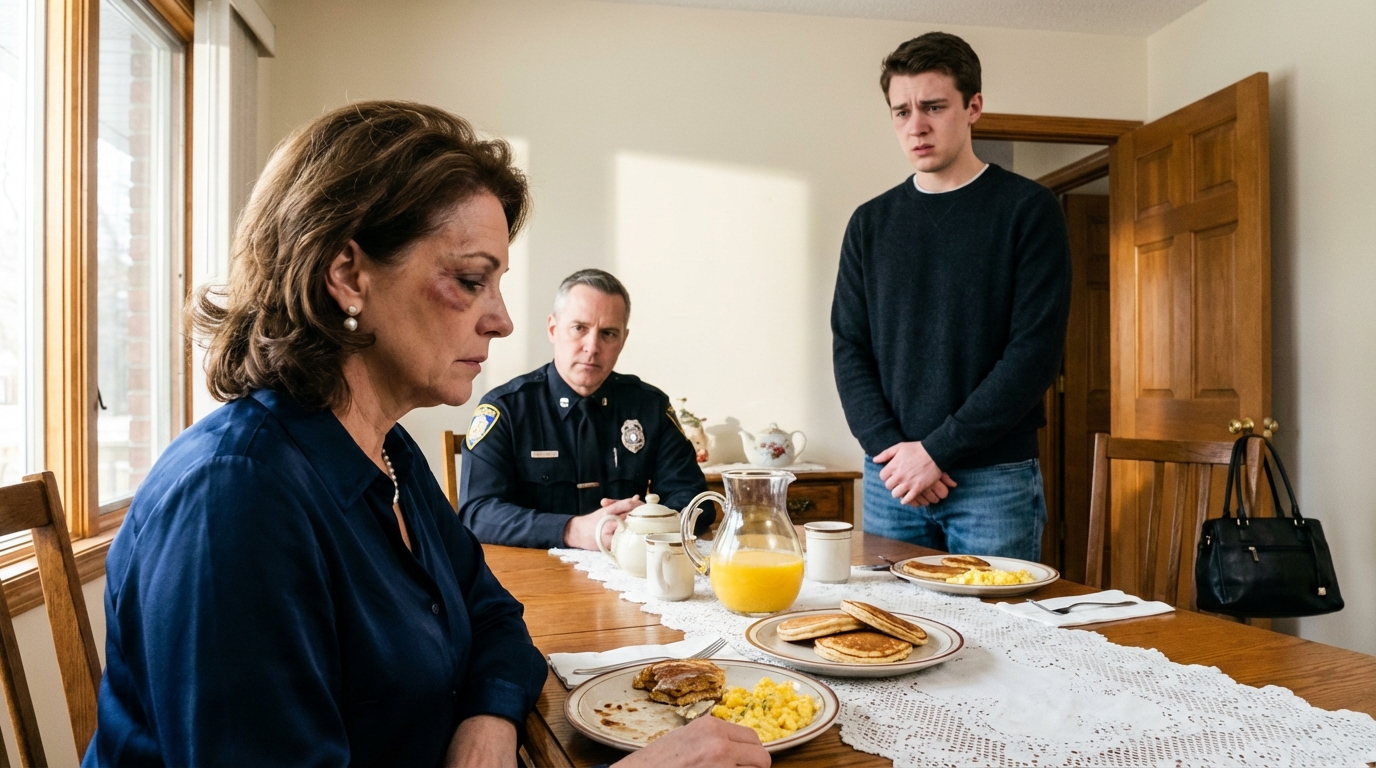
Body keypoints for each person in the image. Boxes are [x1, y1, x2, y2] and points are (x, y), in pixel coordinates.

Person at [85, 101, 767, 768]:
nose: (501, 320)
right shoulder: (235, 497)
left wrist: (488, 714)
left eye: (497, 282)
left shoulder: (387, 449)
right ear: (348, 274)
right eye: (470, 280)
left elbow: (494, 615)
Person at [830, 32, 1072, 560]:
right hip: (891, 478)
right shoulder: (870, 224)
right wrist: (896, 455)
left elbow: (1034, 354)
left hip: (994, 481)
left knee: (1002, 636)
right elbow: (850, 348)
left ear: (973, 107)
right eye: (901, 111)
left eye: (933, 106)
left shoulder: (1028, 210)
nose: (916, 125)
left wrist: (935, 452)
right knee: (890, 636)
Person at [458, 269, 712, 550]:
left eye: (608, 333)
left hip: (627, 571)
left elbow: (695, 501)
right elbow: (476, 514)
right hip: (535, 575)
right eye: (579, 328)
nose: (592, 347)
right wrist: (571, 530)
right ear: (553, 329)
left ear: (623, 340)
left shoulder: (649, 406)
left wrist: (647, 521)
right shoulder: (505, 409)